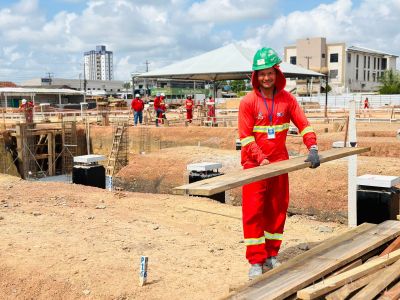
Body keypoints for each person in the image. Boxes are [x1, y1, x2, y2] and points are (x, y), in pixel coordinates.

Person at [238, 47, 320, 280]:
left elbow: (304, 124)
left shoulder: (287, 100)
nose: (266, 78)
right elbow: (245, 137)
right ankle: (256, 260)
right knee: (253, 212)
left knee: (276, 209)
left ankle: (271, 255)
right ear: (256, 76)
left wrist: (312, 147)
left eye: (270, 73)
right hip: (254, 166)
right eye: (261, 74)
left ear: (277, 73)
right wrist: (261, 159)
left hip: (279, 164)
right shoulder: (248, 102)